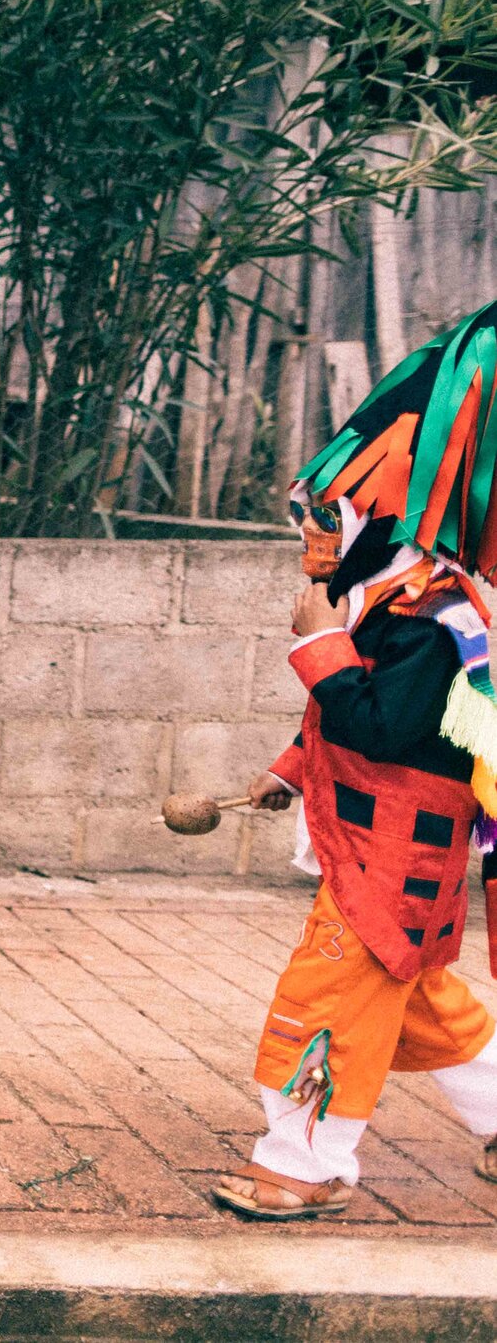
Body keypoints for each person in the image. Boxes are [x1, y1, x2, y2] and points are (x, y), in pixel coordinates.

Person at [212, 302, 497, 1221]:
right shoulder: (382, 596)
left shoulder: (438, 619)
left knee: (329, 991)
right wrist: (289, 768)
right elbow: (340, 727)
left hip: (399, 856)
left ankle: (304, 1161)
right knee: (423, 1006)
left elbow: (379, 724)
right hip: (361, 837)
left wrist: (321, 648)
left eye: (330, 514)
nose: (314, 533)